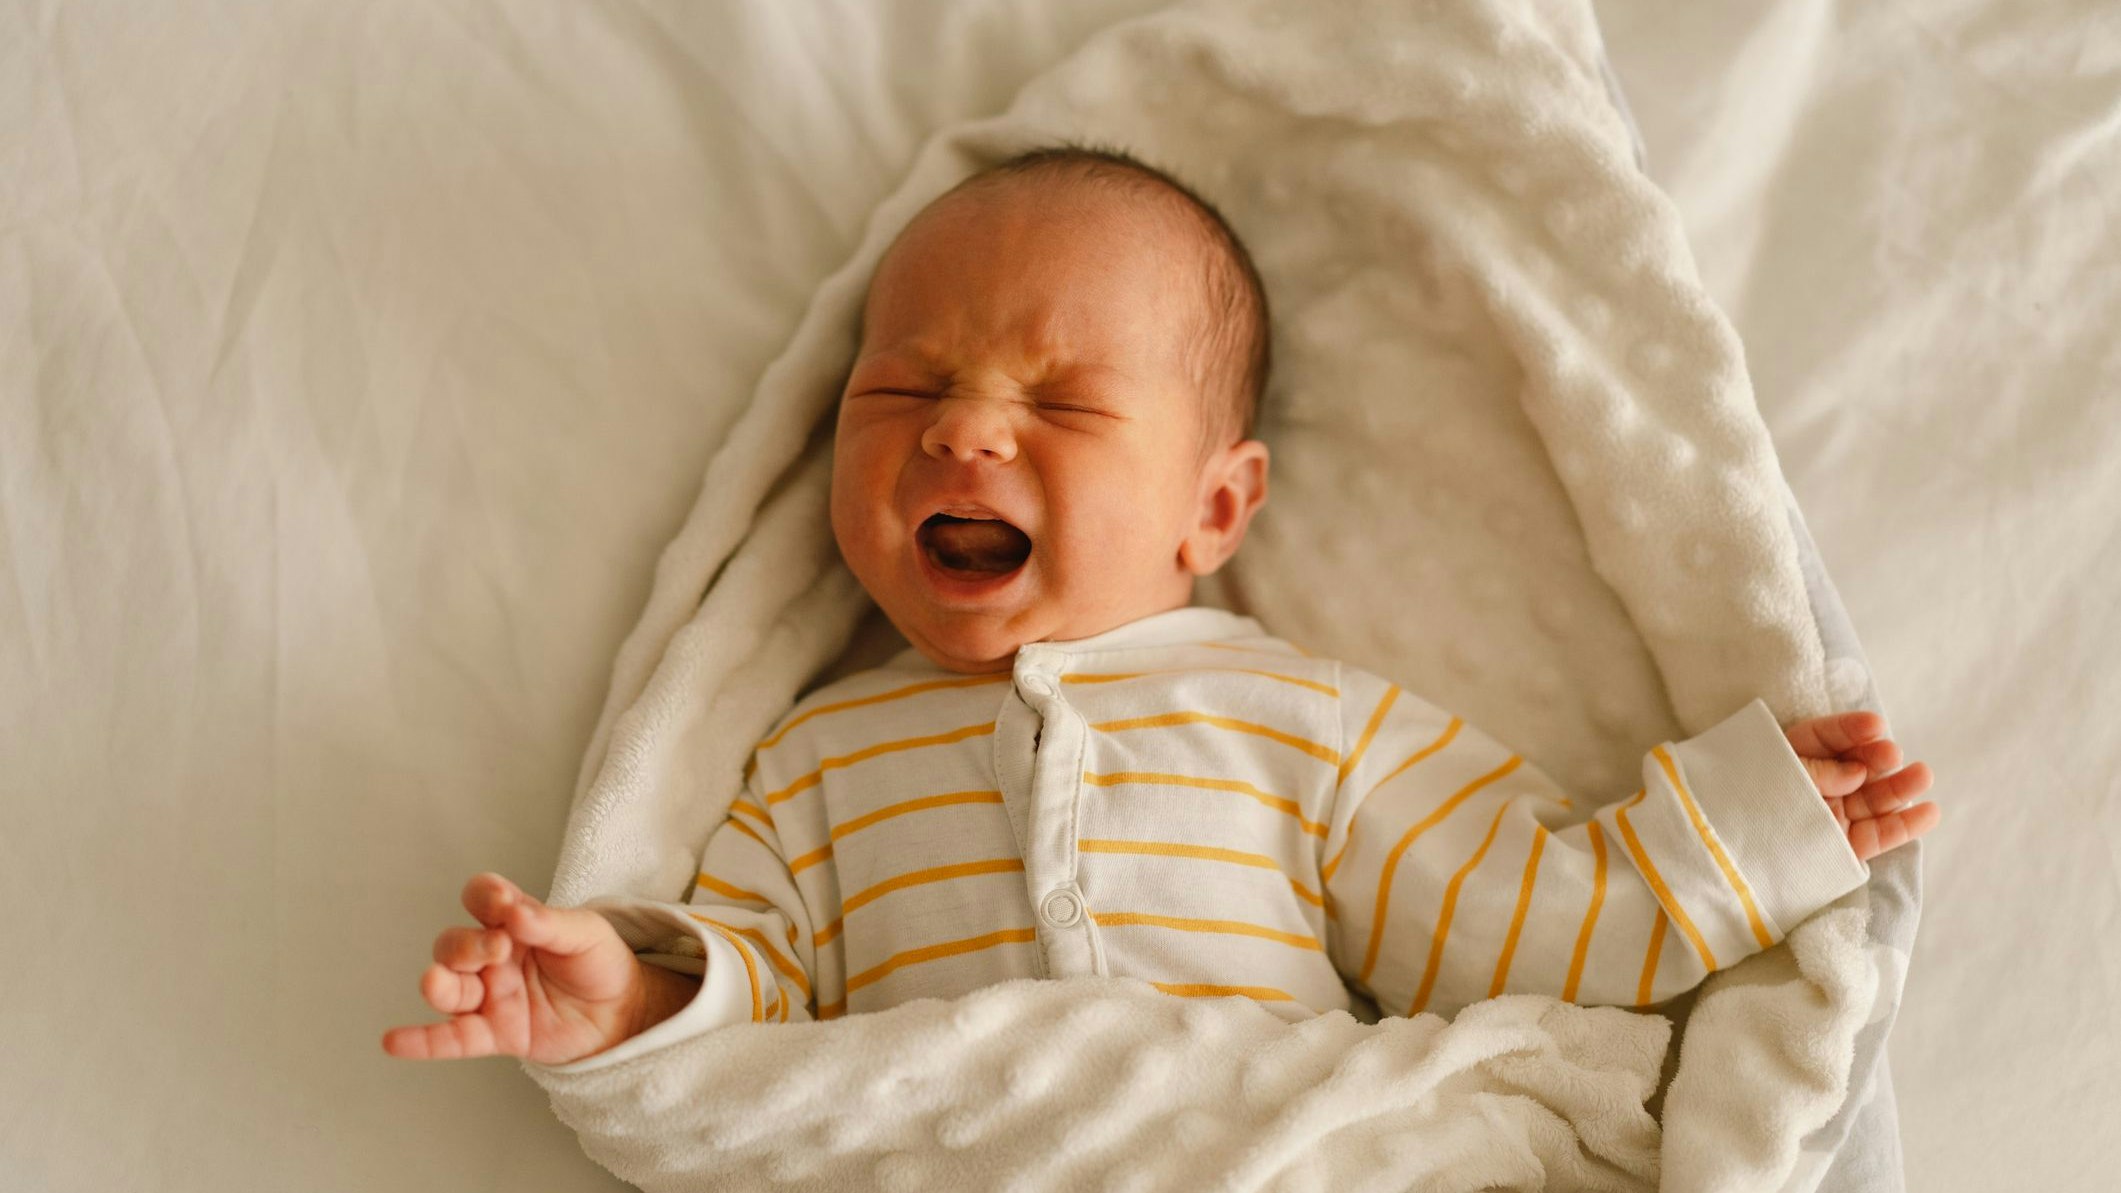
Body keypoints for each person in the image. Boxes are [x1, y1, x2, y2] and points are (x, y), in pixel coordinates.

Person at [381, 146, 1939, 1069]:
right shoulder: (810, 769)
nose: (962, 428)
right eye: (905, 388)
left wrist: (1740, 832)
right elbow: (760, 1015)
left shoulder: (1298, 722)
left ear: (1214, 506)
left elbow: (1513, 923)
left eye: (1058, 403)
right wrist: (634, 992)